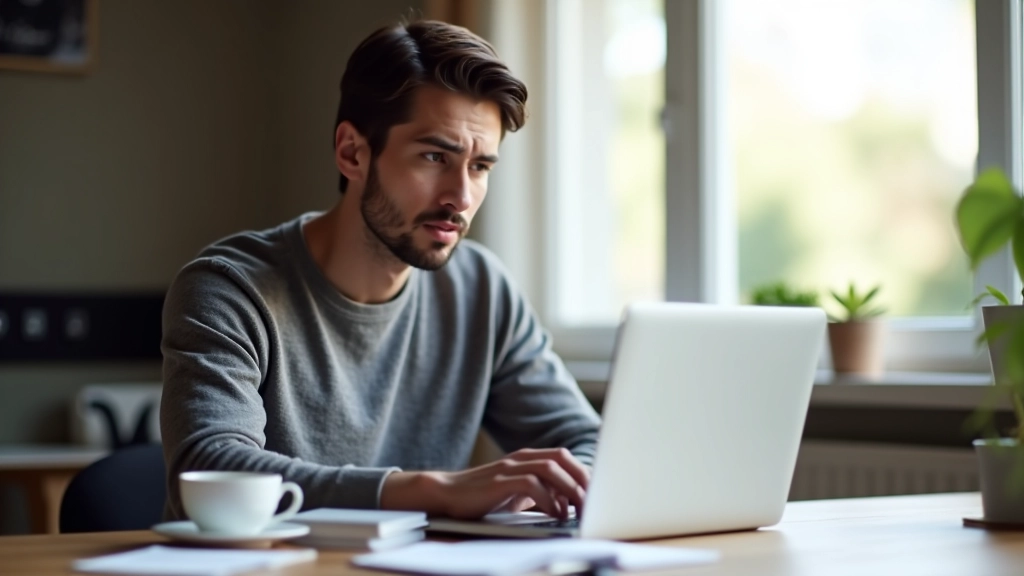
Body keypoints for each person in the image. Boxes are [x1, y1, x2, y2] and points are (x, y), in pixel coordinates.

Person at [160, 19, 600, 522]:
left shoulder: (481, 289)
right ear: (352, 153)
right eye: (434, 156)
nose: (461, 196)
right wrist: (436, 491)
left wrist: (554, 485)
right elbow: (211, 467)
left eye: (480, 167)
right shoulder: (229, 289)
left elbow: (586, 441)